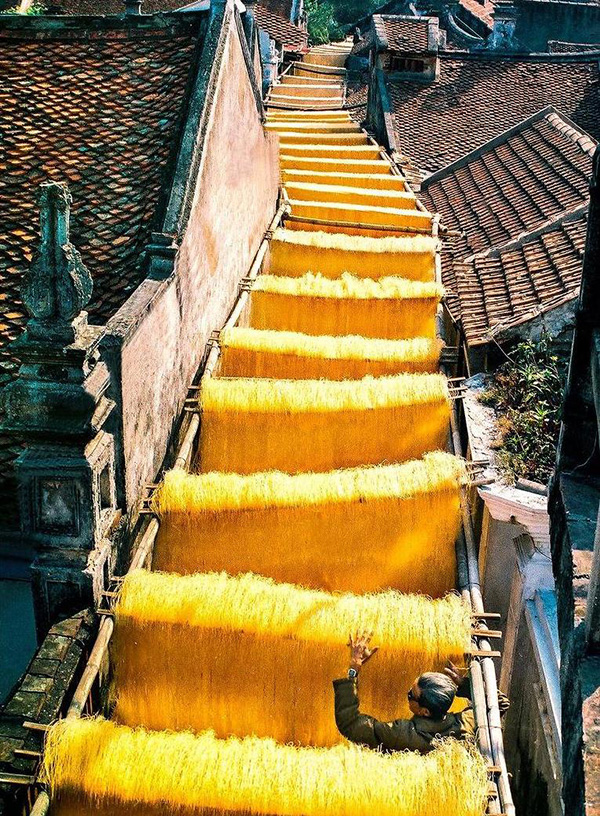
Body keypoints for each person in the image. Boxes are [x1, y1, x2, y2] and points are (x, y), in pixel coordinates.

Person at [333, 631, 509, 753]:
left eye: (411, 694)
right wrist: (464, 685)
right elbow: (500, 703)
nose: (408, 693)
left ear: (424, 711)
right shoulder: (468, 722)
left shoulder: (403, 734)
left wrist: (353, 669)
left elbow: (350, 724)